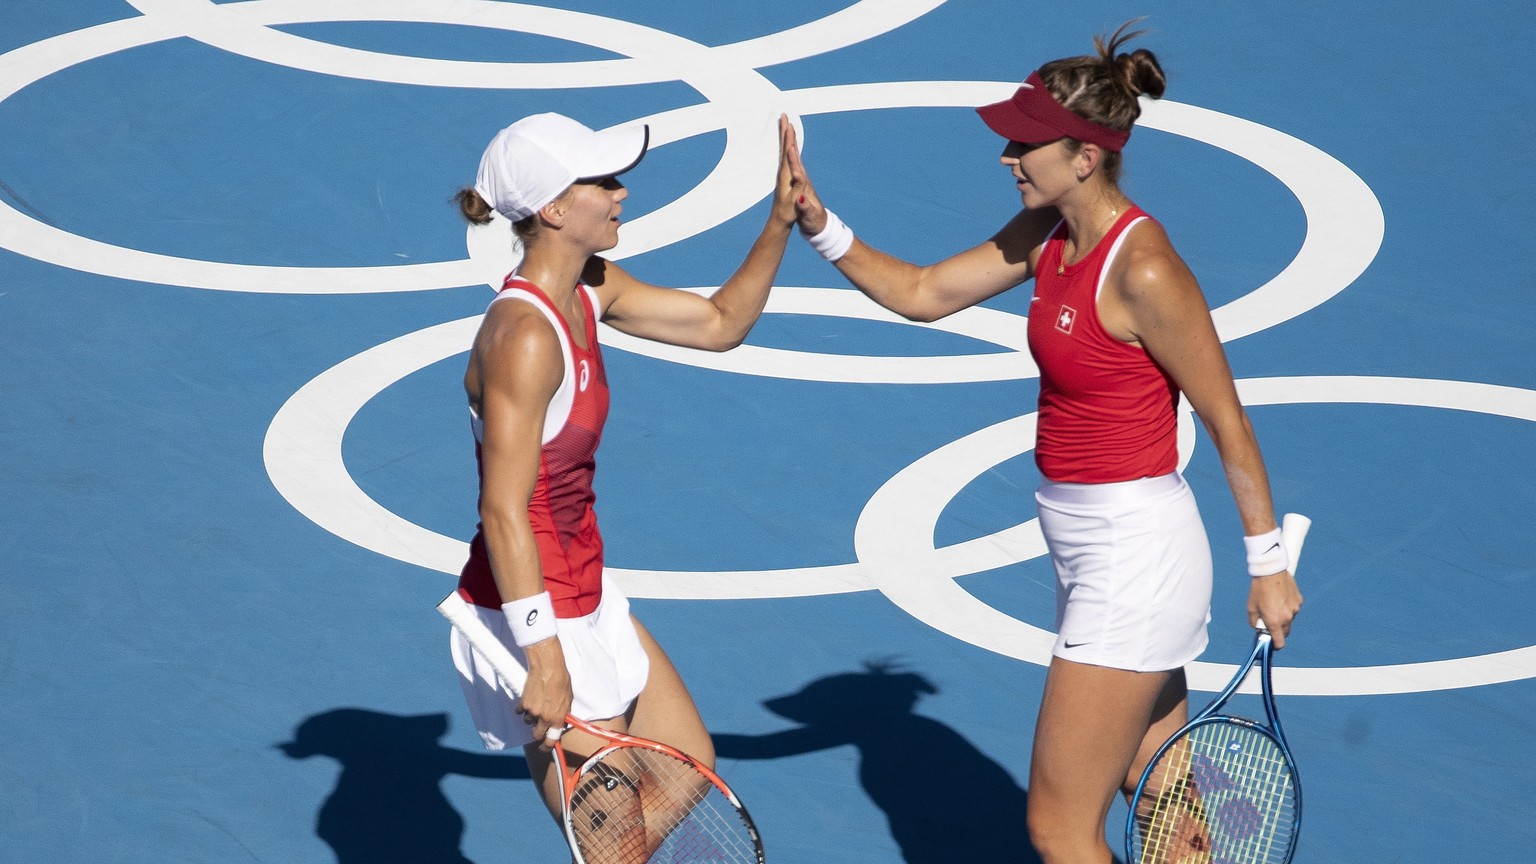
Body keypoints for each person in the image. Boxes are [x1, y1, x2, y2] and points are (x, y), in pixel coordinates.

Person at [786, 24, 1304, 864]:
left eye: (1025, 143)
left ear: (1085, 157)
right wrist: (819, 224)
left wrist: (1268, 563)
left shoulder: (1145, 270)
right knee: (1161, 788)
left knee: (1059, 830)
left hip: (1134, 560)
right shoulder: (1050, 236)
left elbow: (1227, 419)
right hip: (1094, 553)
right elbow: (923, 293)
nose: (1007, 157)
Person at [447, 111, 802, 829]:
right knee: (616, 841)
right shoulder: (522, 339)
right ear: (553, 208)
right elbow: (502, 510)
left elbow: (720, 324)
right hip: (532, 606)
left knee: (684, 759)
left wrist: (779, 222)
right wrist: (544, 659)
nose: (622, 194)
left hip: (584, 580)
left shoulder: (590, 287)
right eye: (603, 182)